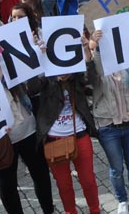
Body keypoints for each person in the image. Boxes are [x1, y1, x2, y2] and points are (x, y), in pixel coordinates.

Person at [0, 31, 55, 214]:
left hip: (27, 128)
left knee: (40, 175)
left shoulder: (12, 64)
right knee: (7, 185)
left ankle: (48, 210)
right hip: (2, 137)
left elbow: (34, 86)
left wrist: (38, 54)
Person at [86, 30, 129, 214]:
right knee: (116, 168)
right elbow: (89, 77)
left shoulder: (126, 60)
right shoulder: (96, 62)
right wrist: (92, 48)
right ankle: (122, 199)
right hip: (108, 126)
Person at [36, 61, 100, 214]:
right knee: (64, 185)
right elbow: (31, 87)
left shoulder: (76, 75)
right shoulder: (45, 75)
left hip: (79, 134)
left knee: (88, 180)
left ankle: (95, 210)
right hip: (54, 139)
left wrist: (85, 51)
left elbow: (91, 78)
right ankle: (70, 211)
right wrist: (46, 70)